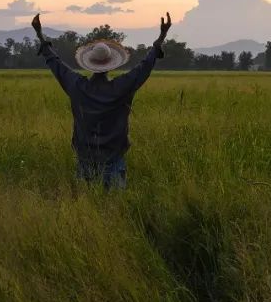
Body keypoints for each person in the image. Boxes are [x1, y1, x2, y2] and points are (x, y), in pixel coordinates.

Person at [31, 12, 171, 189]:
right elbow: (143, 68)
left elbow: (56, 64)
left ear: (90, 64)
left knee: (87, 209)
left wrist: (39, 34)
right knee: (114, 210)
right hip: (113, 160)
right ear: (110, 65)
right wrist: (161, 37)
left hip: (85, 160)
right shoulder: (121, 88)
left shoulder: (77, 86)